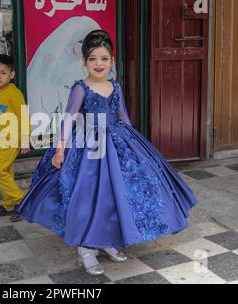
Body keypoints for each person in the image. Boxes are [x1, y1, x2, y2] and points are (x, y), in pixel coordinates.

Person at [16, 30, 198, 275]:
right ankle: (86, 249)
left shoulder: (115, 86)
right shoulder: (81, 88)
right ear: (83, 62)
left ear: (112, 60)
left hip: (117, 144)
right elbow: (68, 119)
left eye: (104, 58)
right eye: (92, 59)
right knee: (88, 196)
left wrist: (136, 147)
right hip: (87, 147)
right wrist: (60, 148)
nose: (98, 64)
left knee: (113, 196)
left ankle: (106, 241)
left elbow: (124, 117)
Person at [0, 55, 31, 222]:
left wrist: (25, 140)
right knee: (6, 172)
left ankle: (23, 202)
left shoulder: (14, 93)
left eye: (3, 73)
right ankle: (8, 205)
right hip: (1, 139)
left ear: (11, 75)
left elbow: (24, 116)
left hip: (12, 139)